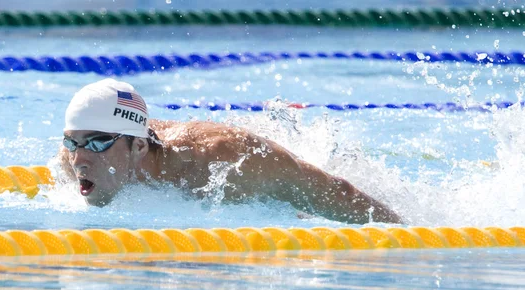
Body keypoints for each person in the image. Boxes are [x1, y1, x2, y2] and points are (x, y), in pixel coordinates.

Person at [59, 78, 402, 224]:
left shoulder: (224, 161)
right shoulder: (71, 160)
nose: (80, 159)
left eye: (96, 143)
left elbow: (335, 191)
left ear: (137, 146)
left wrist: (410, 235)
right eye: (73, 142)